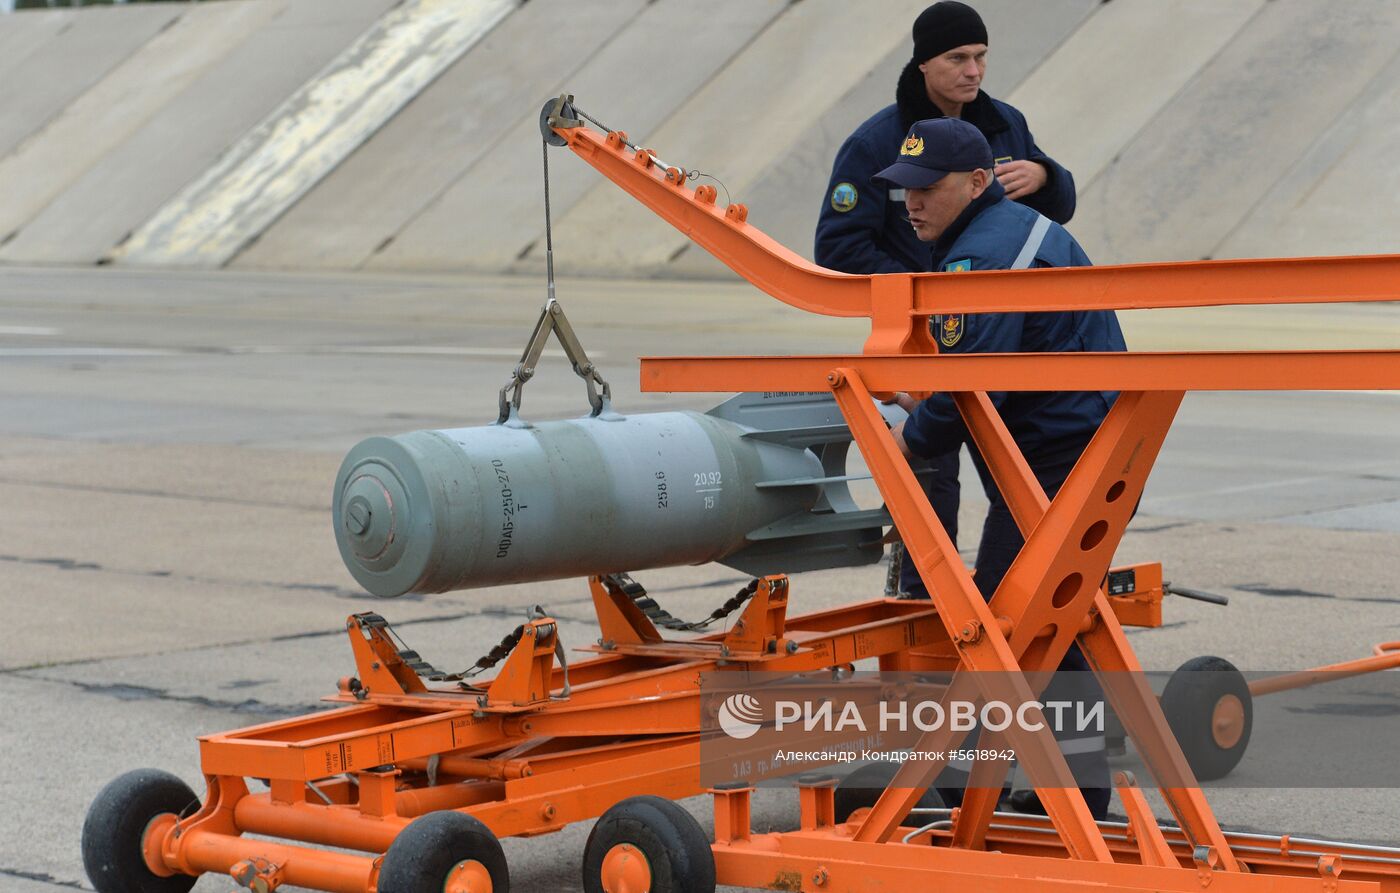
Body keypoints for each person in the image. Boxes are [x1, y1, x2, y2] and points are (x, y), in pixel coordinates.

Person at [875, 115, 1122, 819]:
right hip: (1086, 451)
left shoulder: (976, 259)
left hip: (1056, 466)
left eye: (928, 187)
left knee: (1002, 619)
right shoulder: (1017, 230)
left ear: (979, 182)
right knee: (1050, 621)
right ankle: (1076, 792)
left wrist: (910, 437)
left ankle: (967, 784)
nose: (912, 202)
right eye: (904, 189)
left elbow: (968, 388)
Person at [815, 1, 1076, 582]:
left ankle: (995, 593)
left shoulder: (1005, 123)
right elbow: (837, 248)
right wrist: (928, 289)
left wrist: (1046, 176)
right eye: (958, 58)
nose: (974, 71)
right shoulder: (877, 143)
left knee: (1005, 457)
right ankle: (923, 593)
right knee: (932, 470)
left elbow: (1049, 219)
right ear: (925, 65)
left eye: (981, 57)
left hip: (997, 326)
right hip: (916, 334)